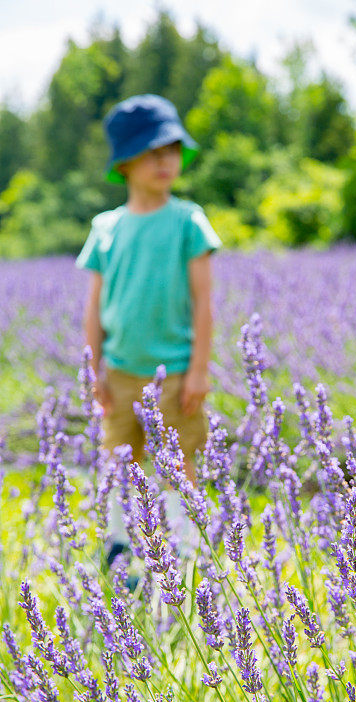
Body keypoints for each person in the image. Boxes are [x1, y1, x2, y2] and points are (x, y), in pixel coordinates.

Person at [75, 94, 222, 553]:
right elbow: (95, 307)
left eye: (173, 150)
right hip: (118, 370)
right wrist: (91, 369)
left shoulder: (188, 221)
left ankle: (185, 554)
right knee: (120, 460)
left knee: (179, 463)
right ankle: (120, 548)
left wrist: (199, 369)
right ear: (124, 163)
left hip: (176, 372)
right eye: (153, 151)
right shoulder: (106, 227)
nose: (166, 160)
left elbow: (203, 303)